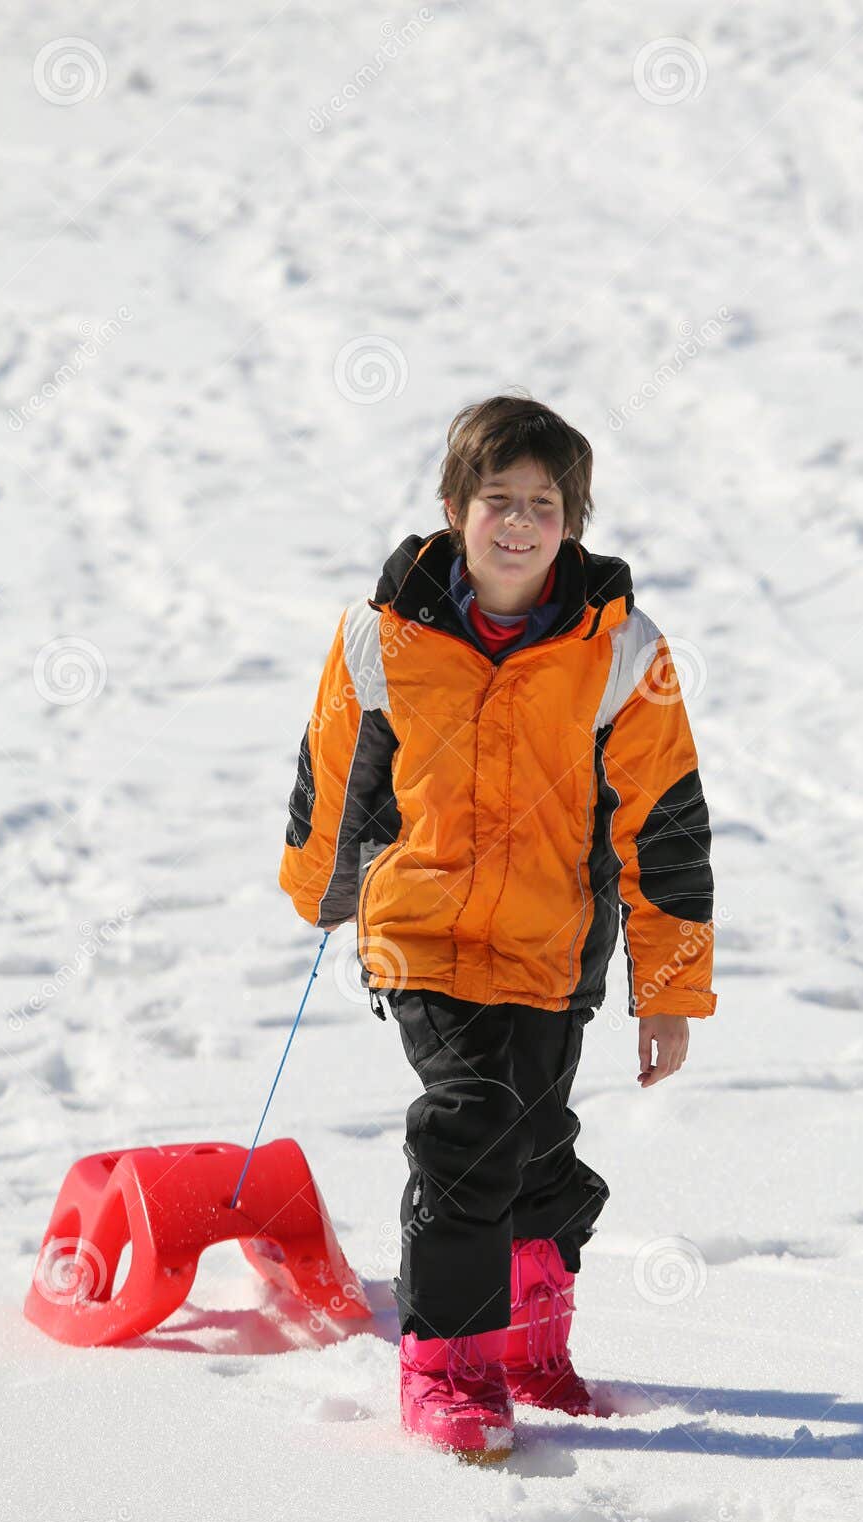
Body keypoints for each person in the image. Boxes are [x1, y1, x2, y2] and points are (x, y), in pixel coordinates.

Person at [279, 395, 717, 1462]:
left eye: (542, 504)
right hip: (422, 934)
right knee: (469, 1124)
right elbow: (334, 773)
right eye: (496, 501)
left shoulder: (619, 651)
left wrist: (665, 986)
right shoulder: (381, 635)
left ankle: (527, 1338)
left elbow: (664, 822)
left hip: (552, 947)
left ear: (574, 519)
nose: (517, 524)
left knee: (535, 1150)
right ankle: (450, 1363)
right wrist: (320, 891)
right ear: (450, 508)